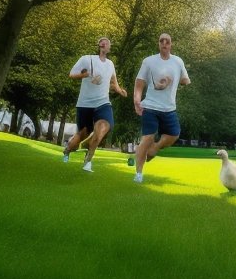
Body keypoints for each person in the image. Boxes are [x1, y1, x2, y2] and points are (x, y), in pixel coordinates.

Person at [63, 37, 127, 172]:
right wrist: (84, 75)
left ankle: (88, 161)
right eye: (102, 42)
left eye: (107, 42)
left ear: (109, 48)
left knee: (104, 127)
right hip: (84, 104)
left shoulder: (110, 64)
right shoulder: (87, 59)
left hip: (103, 103)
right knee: (82, 134)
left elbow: (114, 83)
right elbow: (71, 74)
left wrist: (121, 91)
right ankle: (68, 149)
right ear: (99, 45)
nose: (104, 43)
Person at [133, 33, 190, 183]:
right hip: (150, 106)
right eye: (161, 41)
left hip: (169, 108)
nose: (164, 43)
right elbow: (139, 82)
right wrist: (136, 100)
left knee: (174, 135)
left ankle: (155, 148)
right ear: (158, 44)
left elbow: (185, 79)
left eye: (167, 41)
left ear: (171, 44)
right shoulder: (149, 61)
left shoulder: (178, 62)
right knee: (148, 137)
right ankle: (138, 174)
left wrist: (176, 81)